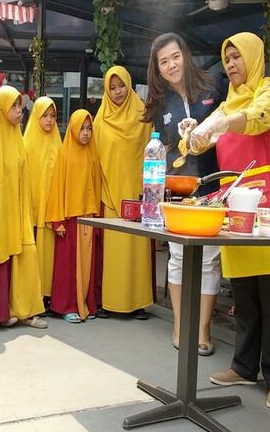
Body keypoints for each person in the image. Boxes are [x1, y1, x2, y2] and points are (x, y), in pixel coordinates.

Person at [190, 32, 270, 411]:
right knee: (245, 296)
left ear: (253, 57)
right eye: (227, 59)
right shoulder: (227, 103)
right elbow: (199, 142)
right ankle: (243, 367)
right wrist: (192, 133)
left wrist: (220, 124)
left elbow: (255, 120)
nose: (231, 64)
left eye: (237, 57)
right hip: (238, 210)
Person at [144, 32, 227, 355]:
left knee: (209, 261)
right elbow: (163, 148)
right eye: (163, 62)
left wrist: (207, 133)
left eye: (175, 56)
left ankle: (203, 329)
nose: (171, 65)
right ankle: (180, 324)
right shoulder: (161, 103)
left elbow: (231, 127)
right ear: (158, 69)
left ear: (185, 55)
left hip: (213, 187)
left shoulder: (212, 86)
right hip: (179, 189)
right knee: (177, 258)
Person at [94, 65, 154, 319]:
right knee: (113, 250)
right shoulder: (100, 121)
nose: (118, 92)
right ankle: (108, 301)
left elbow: (152, 154)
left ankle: (138, 302)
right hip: (109, 193)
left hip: (137, 193)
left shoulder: (143, 117)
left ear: (129, 85)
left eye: (121, 86)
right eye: (112, 87)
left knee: (136, 248)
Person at [0, 85, 47, 329]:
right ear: (2, 109)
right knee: (3, 259)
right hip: (1, 212)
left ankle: (25, 310)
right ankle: (3, 312)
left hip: (20, 210)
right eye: (14, 106)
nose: (19, 110)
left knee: (25, 256)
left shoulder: (18, 139)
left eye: (20, 105)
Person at [46, 109, 100, 323]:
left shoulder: (93, 154)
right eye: (81, 128)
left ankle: (85, 303)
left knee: (87, 264)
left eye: (89, 128)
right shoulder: (65, 155)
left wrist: (98, 217)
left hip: (89, 216)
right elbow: (57, 188)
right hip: (69, 219)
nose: (85, 133)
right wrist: (58, 221)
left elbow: (96, 187)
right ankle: (67, 306)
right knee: (69, 266)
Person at [23, 96, 62, 300]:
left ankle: (47, 293)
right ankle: (32, 295)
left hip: (51, 207)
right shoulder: (26, 143)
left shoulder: (58, 143)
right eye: (45, 115)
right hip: (32, 206)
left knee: (49, 252)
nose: (49, 120)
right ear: (36, 116)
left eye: (53, 116)